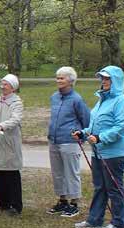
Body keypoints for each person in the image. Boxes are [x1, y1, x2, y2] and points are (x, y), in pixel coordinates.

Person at [72, 65, 124, 228]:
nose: (104, 82)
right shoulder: (102, 100)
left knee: (114, 188)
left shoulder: (122, 101)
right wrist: (83, 133)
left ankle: (119, 224)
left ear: (116, 81)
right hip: (98, 152)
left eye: (108, 79)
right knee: (99, 187)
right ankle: (95, 220)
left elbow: (122, 127)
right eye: (103, 79)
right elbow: (93, 125)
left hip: (115, 153)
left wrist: (100, 137)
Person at [47, 67, 91, 217]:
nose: (58, 80)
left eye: (62, 78)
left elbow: (86, 119)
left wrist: (82, 136)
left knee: (71, 173)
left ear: (71, 81)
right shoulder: (54, 97)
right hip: (54, 140)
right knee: (58, 173)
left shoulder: (77, 99)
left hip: (69, 141)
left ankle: (74, 203)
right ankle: (62, 200)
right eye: (57, 78)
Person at [0, 74, 24, 216]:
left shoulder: (16, 103)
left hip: (9, 143)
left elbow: (15, 119)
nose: (2, 86)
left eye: (5, 84)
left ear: (12, 88)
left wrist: (1, 126)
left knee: (11, 174)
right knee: (0, 172)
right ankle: (3, 203)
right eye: (2, 83)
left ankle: (16, 205)